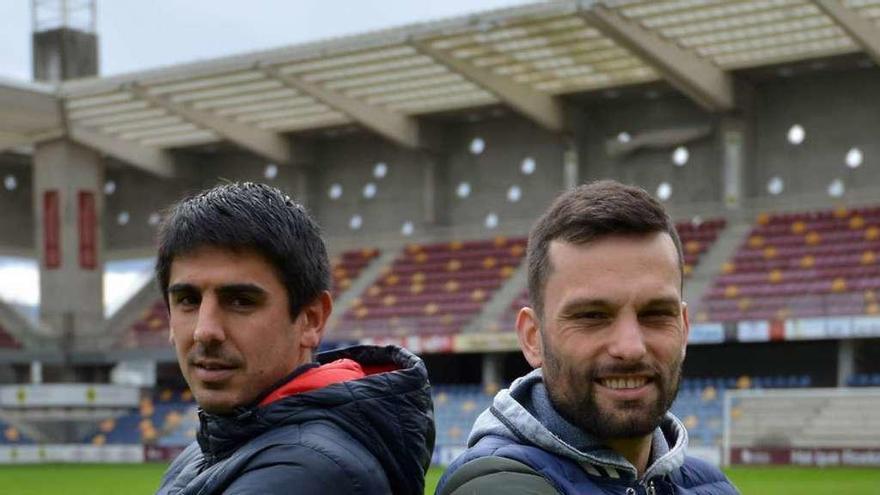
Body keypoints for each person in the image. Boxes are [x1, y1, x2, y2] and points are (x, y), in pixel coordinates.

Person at [436, 180, 738, 495]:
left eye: (656, 314)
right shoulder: (495, 485)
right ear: (532, 338)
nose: (630, 348)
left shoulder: (713, 486)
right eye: (592, 316)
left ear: (684, 328)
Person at [154, 182, 434, 495]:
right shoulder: (207, 448)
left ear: (310, 319)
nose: (204, 331)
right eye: (188, 300)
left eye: (241, 300)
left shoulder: (308, 471)